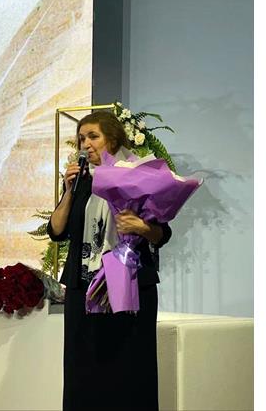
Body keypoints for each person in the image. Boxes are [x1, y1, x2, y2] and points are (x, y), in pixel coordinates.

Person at [47, 110, 172, 411]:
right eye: (81, 138)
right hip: (83, 287)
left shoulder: (138, 177)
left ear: (112, 139)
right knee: (83, 369)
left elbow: (161, 234)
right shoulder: (81, 181)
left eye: (93, 136)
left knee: (128, 367)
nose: (85, 144)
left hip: (129, 284)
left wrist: (141, 227)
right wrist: (68, 191)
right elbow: (57, 231)